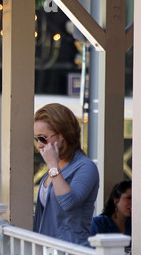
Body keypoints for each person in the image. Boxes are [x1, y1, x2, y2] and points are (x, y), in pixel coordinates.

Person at [33, 103, 99, 247]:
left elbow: (69, 203)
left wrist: (53, 166)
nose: (39, 145)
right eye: (36, 139)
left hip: (72, 254)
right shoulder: (55, 166)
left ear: (62, 135)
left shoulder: (85, 167)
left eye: (43, 138)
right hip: (49, 253)